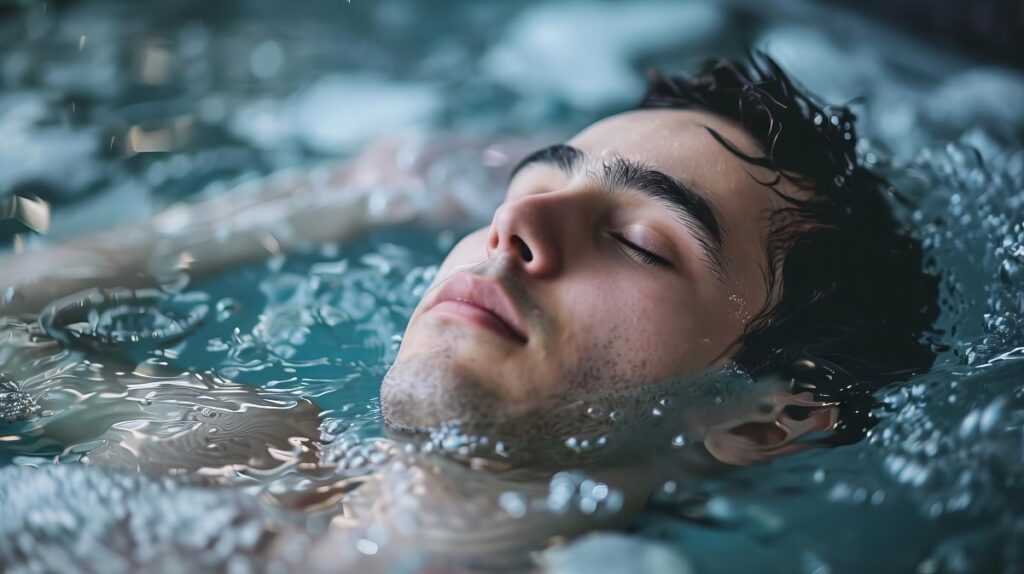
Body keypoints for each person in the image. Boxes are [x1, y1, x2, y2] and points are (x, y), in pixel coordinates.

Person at [0, 53, 939, 569]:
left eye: (643, 242)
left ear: (775, 415)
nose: (514, 223)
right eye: (535, 181)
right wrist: (348, 193)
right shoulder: (239, 451)